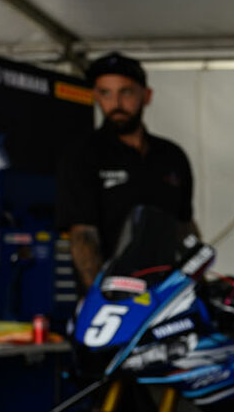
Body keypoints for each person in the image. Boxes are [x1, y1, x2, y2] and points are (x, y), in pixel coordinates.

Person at [56, 52, 196, 290]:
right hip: (112, 293)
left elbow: (185, 227)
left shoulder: (172, 156)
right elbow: (83, 235)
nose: (116, 103)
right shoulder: (82, 155)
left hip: (166, 293)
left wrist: (197, 284)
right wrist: (100, 297)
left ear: (146, 96)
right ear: (96, 96)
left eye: (126, 92)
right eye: (105, 93)